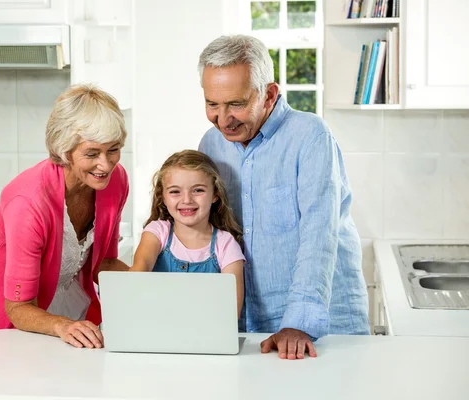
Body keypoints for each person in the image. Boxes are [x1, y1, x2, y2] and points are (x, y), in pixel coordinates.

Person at [197, 35, 370, 360]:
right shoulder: (211, 145)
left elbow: (319, 235)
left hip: (321, 325)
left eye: (236, 104)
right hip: (249, 324)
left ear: (270, 94)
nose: (223, 119)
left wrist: (299, 323)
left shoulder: (310, 137)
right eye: (212, 104)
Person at [0, 84, 129, 349]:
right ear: (64, 149)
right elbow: (18, 306)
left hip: (70, 312)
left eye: (113, 150)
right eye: (92, 153)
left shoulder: (115, 182)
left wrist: (157, 284)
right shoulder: (28, 202)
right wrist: (62, 325)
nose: (105, 165)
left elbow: (103, 263)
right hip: (13, 321)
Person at [130, 150, 245, 316]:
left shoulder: (226, 244)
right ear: (162, 197)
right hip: (156, 329)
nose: (187, 200)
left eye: (198, 190)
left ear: (215, 195)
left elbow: (232, 310)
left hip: (207, 335)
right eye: (175, 191)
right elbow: (140, 269)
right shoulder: (157, 232)